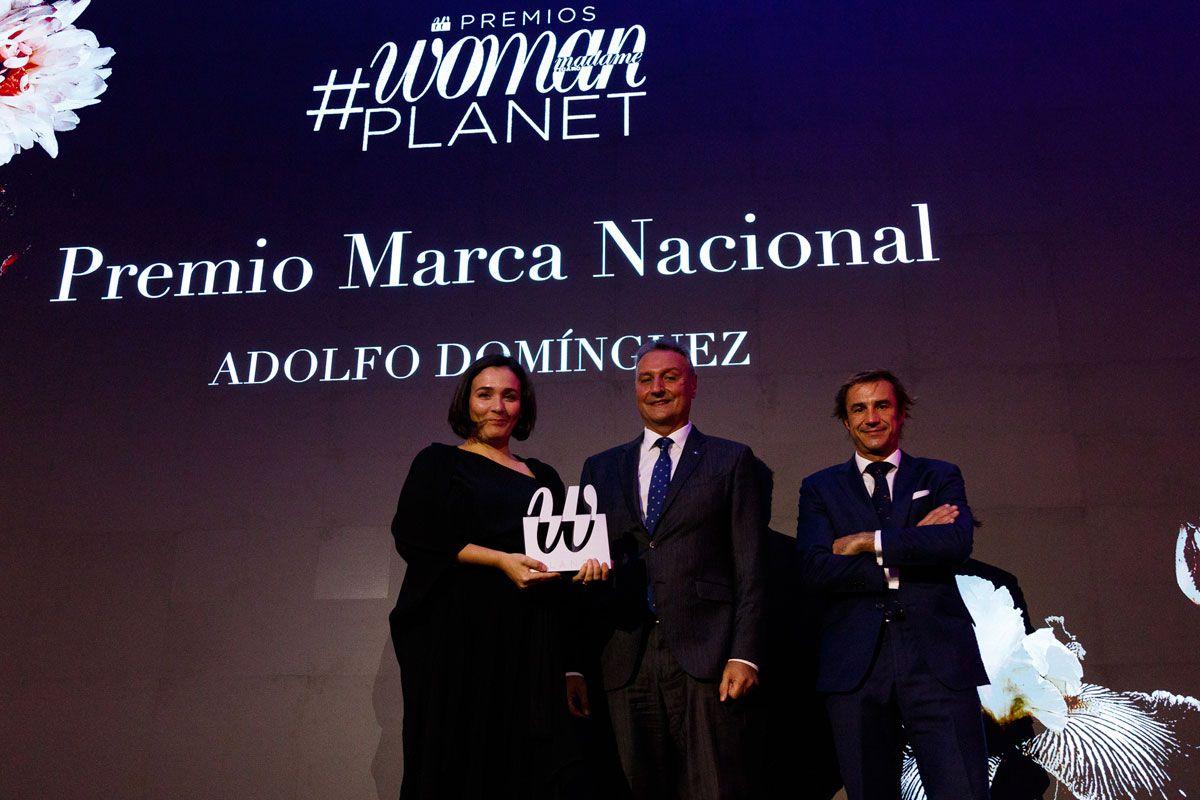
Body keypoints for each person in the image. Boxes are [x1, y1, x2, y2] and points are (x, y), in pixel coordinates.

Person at [388, 354, 607, 800]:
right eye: (485, 394)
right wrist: (500, 560)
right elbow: (414, 535)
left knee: (535, 770)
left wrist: (585, 569)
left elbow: (562, 556)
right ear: (466, 402)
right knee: (459, 764)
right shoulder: (439, 463)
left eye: (509, 396)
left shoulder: (543, 476)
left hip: (530, 646)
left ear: (522, 406)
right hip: (457, 644)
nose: (498, 406)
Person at [580, 339, 767, 800]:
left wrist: (744, 653)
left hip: (707, 652)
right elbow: (585, 559)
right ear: (635, 390)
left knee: (713, 788)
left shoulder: (732, 459)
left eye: (670, 377)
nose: (657, 388)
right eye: (646, 379)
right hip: (625, 653)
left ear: (693, 385)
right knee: (636, 786)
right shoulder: (601, 467)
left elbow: (751, 566)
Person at [795, 369, 990, 800]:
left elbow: (955, 543)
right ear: (845, 422)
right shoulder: (819, 488)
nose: (871, 418)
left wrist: (870, 541)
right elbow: (815, 568)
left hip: (938, 661)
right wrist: (915, 542)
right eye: (858, 409)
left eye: (882, 405)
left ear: (901, 414)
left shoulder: (938, 476)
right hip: (855, 669)